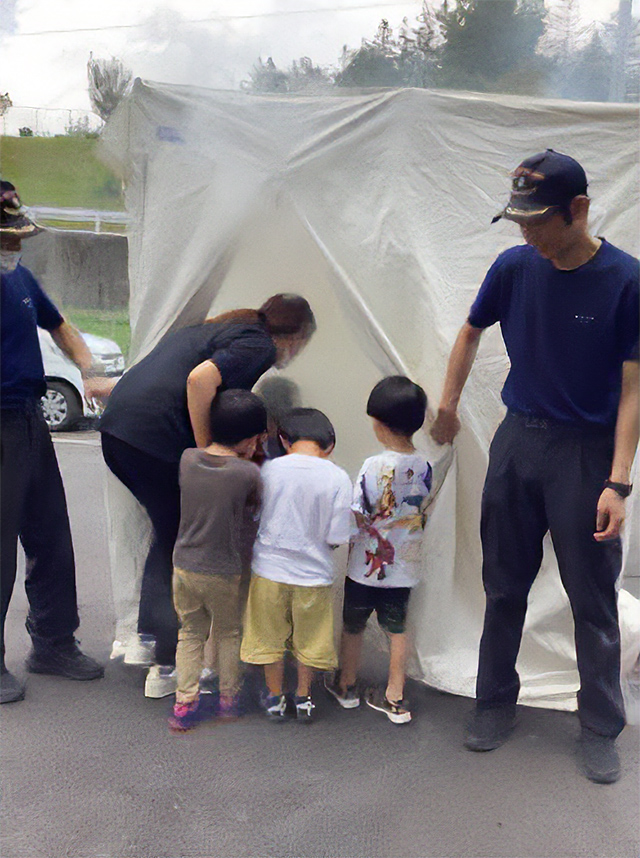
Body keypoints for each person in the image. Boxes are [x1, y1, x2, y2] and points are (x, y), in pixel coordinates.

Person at [430, 150, 639, 784]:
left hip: (585, 453)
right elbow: (469, 331)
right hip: (518, 443)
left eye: (537, 221)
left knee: (591, 598)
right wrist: (447, 405)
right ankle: (494, 702)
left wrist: (618, 482)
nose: (527, 235)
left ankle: (601, 726)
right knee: (503, 584)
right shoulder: (515, 266)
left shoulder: (626, 281)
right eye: (518, 222)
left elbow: (635, 386)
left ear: (578, 210)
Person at [100, 293, 315, 699]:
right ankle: (166, 663)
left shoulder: (219, 327)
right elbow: (200, 381)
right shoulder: (259, 344)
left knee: (167, 533)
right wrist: (205, 454)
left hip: (117, 431)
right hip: (152, 438)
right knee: (176, 543)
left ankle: (147, 638)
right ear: (296, 335)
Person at [1, 180, 107, 704]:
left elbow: (59, 324)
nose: (14, 247)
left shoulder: (19, 278)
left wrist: (90, 368)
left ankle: (53, 643)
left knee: (50, 535)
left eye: (18, 238)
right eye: (5, 240)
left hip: (28, 420)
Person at [325, 376, 432, 725]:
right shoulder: (425, 465)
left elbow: (360, 511)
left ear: (378, 423)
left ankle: (346, 686)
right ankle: (395, 697)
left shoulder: (374, 466)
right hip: (403, 570)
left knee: (353, 625)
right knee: (397, 629)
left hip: (364, 567)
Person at [240, 408, 353, 722]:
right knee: (310, 639)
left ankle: (275, 698)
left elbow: (255, 515)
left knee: (269, 637)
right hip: (314, 576)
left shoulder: (269, 471)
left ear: (284, 440)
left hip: (268, 571)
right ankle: (303, 697)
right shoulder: (338, 477)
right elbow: (338, 534)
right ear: (329, 445)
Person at [168, 390, 267, 733]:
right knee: (228, 633)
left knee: (190, 633)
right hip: (224, 570)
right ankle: (228, 701)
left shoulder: (187, 459)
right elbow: (254, 509)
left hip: (183, 566)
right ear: (250, 438)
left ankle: (184, 704)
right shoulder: (246, 474)